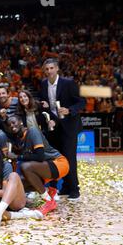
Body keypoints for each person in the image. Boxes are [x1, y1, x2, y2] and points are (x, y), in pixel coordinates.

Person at [39, 58, 85, 201]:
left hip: (69, 125)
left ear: (57, 68)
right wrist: (44, 105)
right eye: (46, 69)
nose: (49, 71)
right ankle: (64, 187)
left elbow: (82, 102)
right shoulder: (43, 84)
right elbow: (43, 104)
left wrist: (69, 110)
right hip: (53, 125)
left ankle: (74, 189)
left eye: (51, 68)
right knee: (58, 158)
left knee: (70, 157)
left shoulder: (68, 83)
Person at [0, 140, 43, 231]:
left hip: (13, 202)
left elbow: (4, 193)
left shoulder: (5, 165)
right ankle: (25, 214)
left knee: (14, 175)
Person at [6, 115, 70, 216]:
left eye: (13, 122)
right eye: (9, 125)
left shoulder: (33, 131)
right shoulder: (19, 140)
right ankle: (50, 192)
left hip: (58, 163)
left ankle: (48, 201)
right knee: (19, 185)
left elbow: (40, 156)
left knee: (25, 167)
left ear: (21, 122)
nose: (12, 126)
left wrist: (18, 156)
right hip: (45, 168)